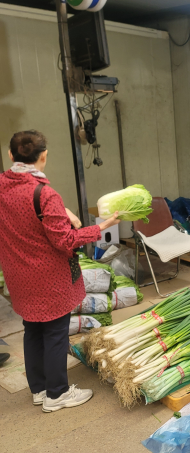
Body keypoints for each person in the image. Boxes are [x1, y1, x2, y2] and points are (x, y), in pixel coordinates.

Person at [0, 130, 120, 413]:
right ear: (43, 156)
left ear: (10, 155)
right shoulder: (45, 193)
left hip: (18, 275)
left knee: (32, 331)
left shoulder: (3, 185)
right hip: (48, 277)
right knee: (55, 332)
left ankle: (40, 389)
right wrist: (100, 226)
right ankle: (57, 394)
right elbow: (65, 240)